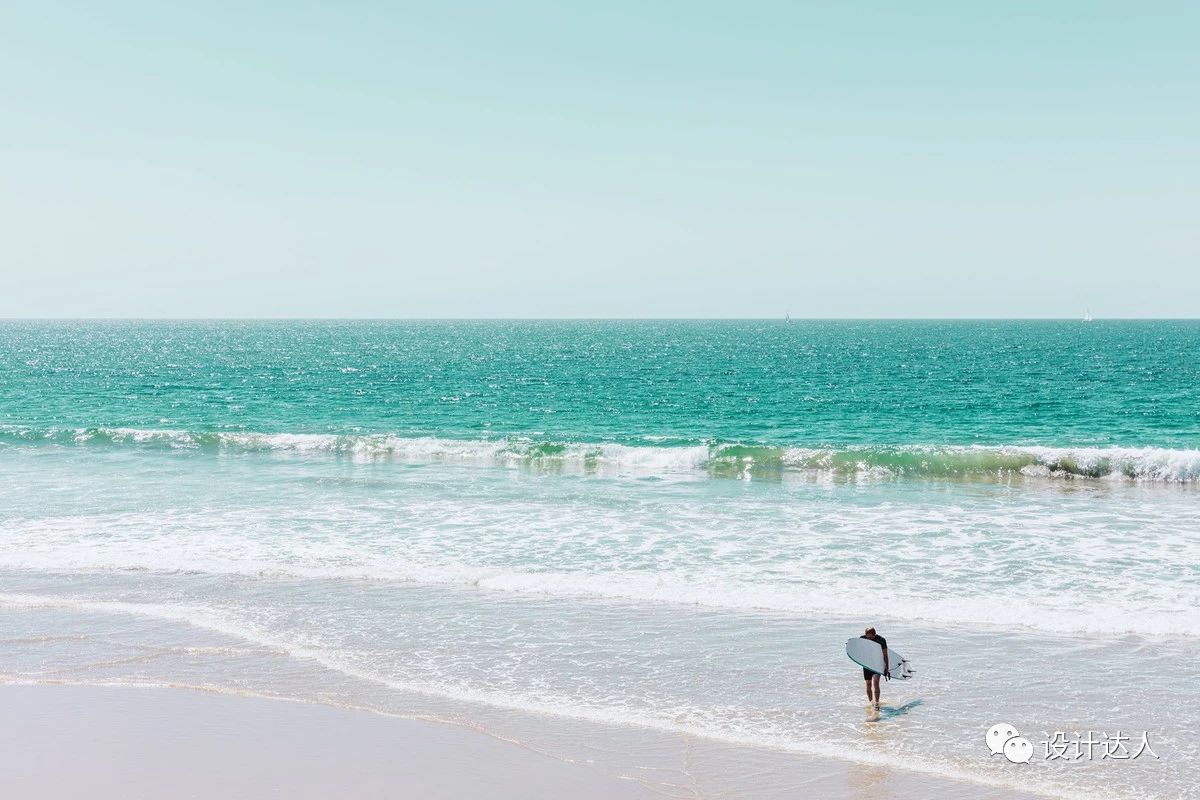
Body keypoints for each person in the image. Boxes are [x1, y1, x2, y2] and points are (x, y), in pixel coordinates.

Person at [861, 627, 889, 710]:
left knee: (876, 683)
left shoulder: (881, 640)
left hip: (877, 664)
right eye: (867, 636)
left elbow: (885, 655)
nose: (868, 638)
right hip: (867, 664)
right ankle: (871, 702)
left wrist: (886, 667)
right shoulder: (862, 639)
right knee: (868, 684)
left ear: (874, 634)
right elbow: (857, 650)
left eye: (870, 637)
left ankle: (876, 703)